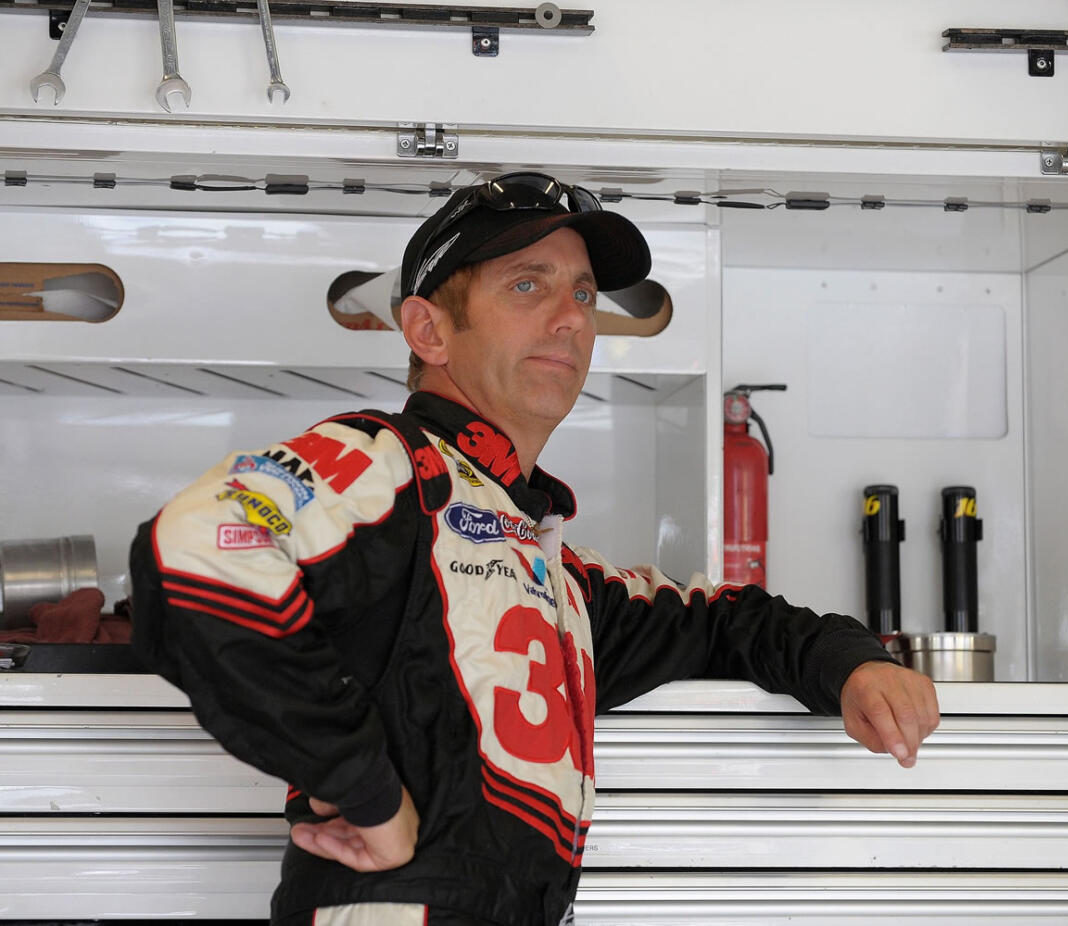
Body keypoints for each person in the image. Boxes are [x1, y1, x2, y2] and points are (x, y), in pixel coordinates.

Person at [129, 171, 940, 926]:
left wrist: (853, 664)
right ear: (429, 329)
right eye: (528, 285)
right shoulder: (388, 463)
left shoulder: (542, 560)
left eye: (583, 292)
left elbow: (721, 620)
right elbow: (198, 546)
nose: (572, 318)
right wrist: (364, 789)